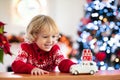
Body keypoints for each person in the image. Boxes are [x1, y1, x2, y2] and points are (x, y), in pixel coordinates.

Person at [11, 15, 77, 75]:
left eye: (53, 36)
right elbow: (16, 64)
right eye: (45, 37)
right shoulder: (26, 48)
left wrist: (73, 66)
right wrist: (32, 69)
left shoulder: (54, 49)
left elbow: (62, 62)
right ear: (34, 36)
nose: (50, 41)